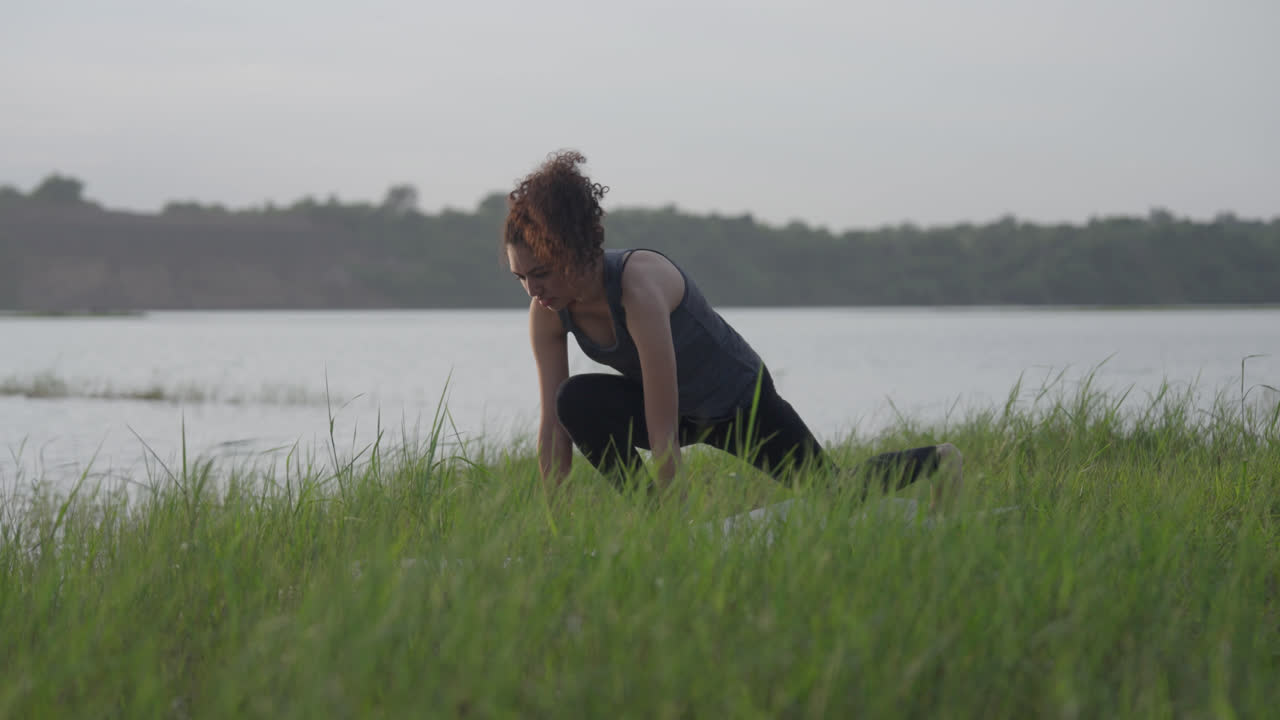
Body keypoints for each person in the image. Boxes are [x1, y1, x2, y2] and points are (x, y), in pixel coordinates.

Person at [502, 150, 962, 507]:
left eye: (540, 272)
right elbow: (553, 432)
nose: (532, 290)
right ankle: (648, 520)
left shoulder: (638, 287)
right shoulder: (547, 311)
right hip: (681, 413)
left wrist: (677, 527)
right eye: (521, 278)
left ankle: (942, 459)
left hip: (740, 400)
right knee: (574, 402)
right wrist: (554, 527)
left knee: (832, 494)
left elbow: (662, 433)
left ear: (569, 249)